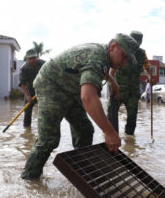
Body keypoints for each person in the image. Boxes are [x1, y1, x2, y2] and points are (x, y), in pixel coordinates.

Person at [20, 33, 139, 179]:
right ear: (113, 47)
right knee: (49, 140)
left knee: (85, 131)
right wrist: (109, 132)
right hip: (51, 85)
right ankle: (29, 179)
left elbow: (96, 69)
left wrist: (111, 80)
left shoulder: (103, 55)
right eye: (125, 56)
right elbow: (88, 97)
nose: (125, 62)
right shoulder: (97, 57)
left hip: (70, 88)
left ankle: (82, 173)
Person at [107, 31, 152, 135]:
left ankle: (129, 140)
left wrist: (149, 76)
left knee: (132, 118)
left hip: (133, 92)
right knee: (111, 114)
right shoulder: (122, 50)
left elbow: (147, 67)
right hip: (119, 89)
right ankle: (111, 136)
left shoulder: (142, 54)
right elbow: (111, 72)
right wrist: (111, 88)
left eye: (139, 42)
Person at [19, 49, 46, 127]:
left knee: (45, 110)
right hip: (30, 92)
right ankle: (27, 128)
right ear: (27, 59)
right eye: (30, 58)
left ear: (37, 57)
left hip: (43, 91)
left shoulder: (44, 64)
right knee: (27, 110)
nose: (33, 60)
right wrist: (27, 96)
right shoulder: (24, 68)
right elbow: (22, 84)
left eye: (34, 58)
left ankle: (43, 127)